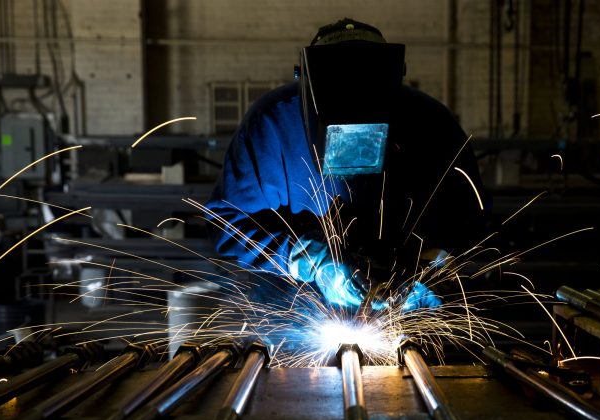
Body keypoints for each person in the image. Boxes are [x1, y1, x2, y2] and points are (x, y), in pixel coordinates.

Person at [206, 18, 489, 311]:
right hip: (294, 315)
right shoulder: (271, 125)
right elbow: (225, 223)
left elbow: (473, 226)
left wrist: (432, 267)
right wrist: (305, 260)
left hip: (404, 312)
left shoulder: (434, 127)